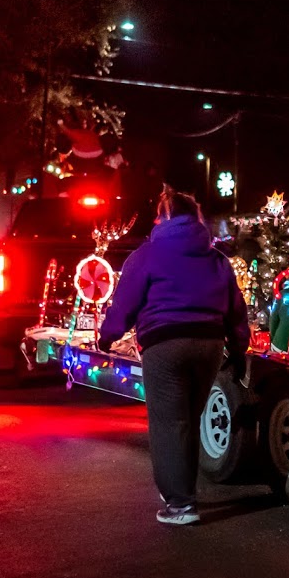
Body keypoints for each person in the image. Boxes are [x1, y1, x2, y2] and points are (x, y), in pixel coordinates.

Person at [98, 188, 249, 526]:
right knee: (188, 421)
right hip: (208, 344)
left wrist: (108, 336)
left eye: (157, 215)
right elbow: (235, 309)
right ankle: (182, 493)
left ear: (165, 217)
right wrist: (239, 349)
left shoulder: (146, 255)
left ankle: (180, 504)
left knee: (169, 423)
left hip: (165, 344)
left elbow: (125, 303)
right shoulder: (216, 259)